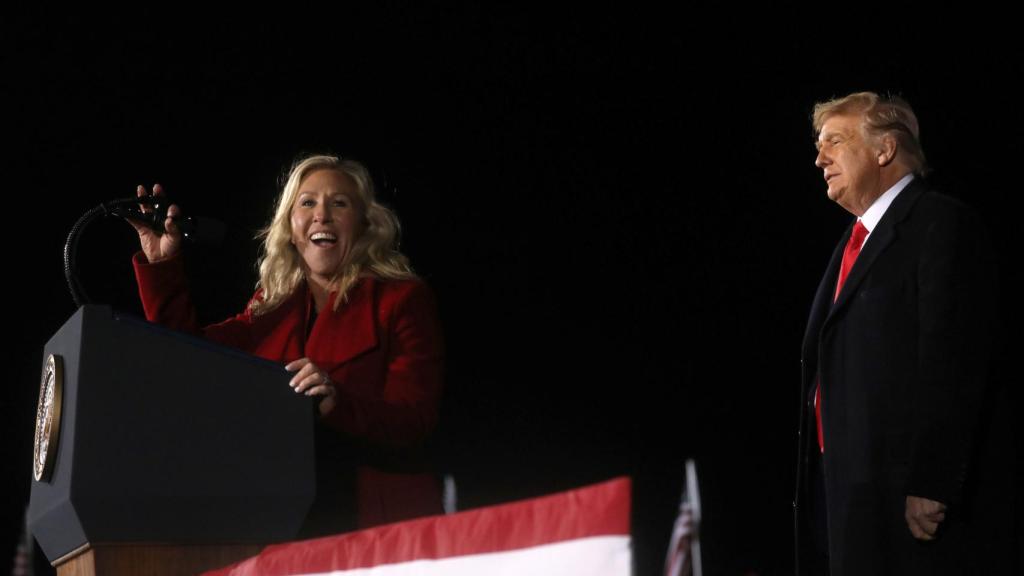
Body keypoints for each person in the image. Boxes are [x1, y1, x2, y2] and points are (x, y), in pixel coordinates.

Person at [129, 155, 444, 534]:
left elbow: (416, 421)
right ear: (291, 228)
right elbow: (188, 357)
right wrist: (163, 263)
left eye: (339, 203)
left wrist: (337, 403)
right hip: (286, 526)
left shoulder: (402, 299)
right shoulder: (268, 308)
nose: (321, 215)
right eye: (307, 202)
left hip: (380, 526)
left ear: (364, 224)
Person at [794, 92, 1014, 575]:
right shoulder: (849, 248)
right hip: (847, 501)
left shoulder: (939, 223)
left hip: (908, 508)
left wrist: (933, 480)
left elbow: (953, 358)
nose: (819, 158)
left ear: (884, 150)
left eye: (834, 141)